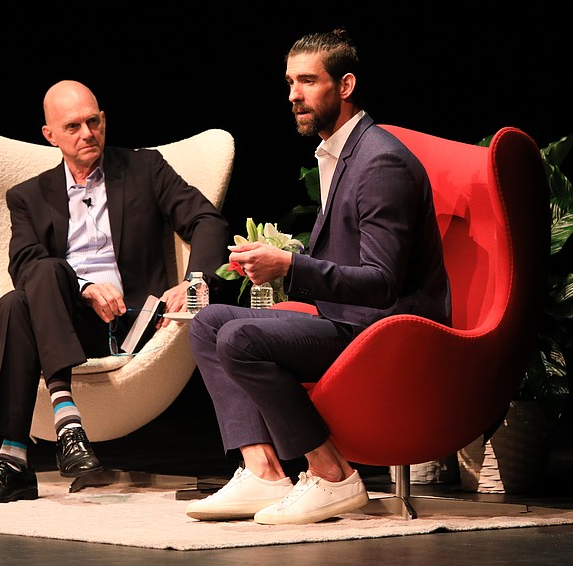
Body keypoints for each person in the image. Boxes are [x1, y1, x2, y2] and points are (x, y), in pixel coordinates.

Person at [184, 29, 451, 525]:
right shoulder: (340, 152)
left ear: (345, 85)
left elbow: (381, 282)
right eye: (289, 83)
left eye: (307, 81)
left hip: (387, 327)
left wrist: (289, 266)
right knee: (208, 323)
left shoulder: (380, 160)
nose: (293, 95)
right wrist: (284, 256)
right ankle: (262, 471)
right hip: (350, 317)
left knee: (242, 336)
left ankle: (332, 476)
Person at [0, 80, 230, 504]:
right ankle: (67, 423)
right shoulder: (27, 195)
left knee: (16, 305)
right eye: (73, 127)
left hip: (129, 323)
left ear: (104, 121)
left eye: (93, 122)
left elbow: (207, 221)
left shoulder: (145, 169)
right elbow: (23, 262)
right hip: (66, 324)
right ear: (50, 136)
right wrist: (83, 288)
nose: (87, 134)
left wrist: (194, 281)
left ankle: (13, 459)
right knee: (33, 279)